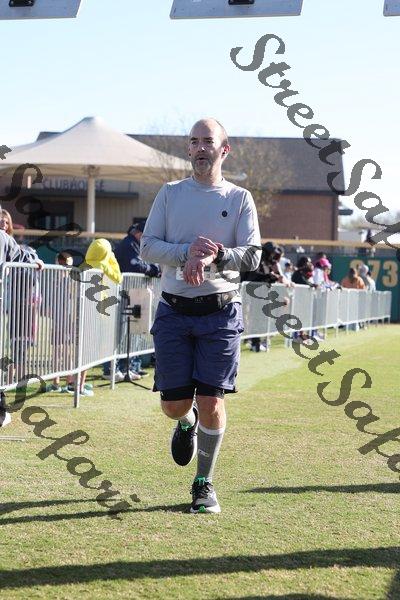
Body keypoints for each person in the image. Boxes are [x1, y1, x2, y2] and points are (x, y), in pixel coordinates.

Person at [141, 118, 261, 513]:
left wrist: (217, 255)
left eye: (208, 140)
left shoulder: (240, 198)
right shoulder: (170, 194)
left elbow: (252, 255)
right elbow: (147, 247)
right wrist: (186, 253)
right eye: (194, 141)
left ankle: (203, 483)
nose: (199, 147)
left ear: (224, 150)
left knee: (212, 400)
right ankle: (185, 421)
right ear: (188, 150)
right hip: (174, 311)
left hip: (221, 312)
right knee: (174, 405)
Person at [0, 219, 44, 428]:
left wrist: (34, 259)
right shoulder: (3, 238)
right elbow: (20, 255)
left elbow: (21, 254)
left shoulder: (4, 238)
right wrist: (34, 260)